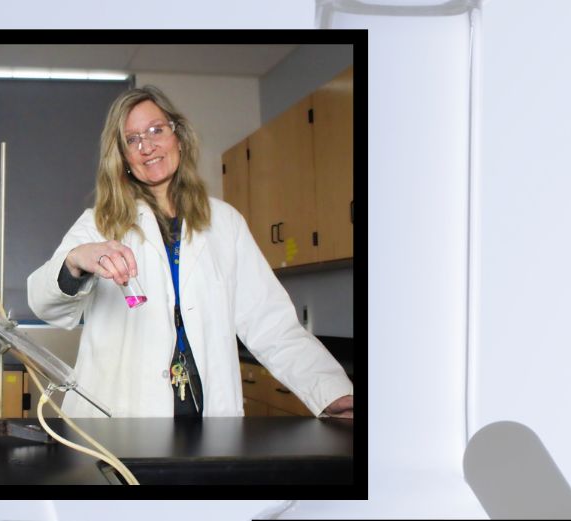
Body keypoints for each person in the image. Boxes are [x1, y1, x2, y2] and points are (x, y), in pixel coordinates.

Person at [27, 86, 351, 419]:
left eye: (156, 130)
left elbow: (270, 323)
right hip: (121, 415)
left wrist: (330, 392)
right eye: (133, 139)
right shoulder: (100, 222)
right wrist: (77, 261)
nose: (147, 146)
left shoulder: (224, 223)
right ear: (122, 157)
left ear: (178, 136)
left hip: (205, 410)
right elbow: (42, 302)